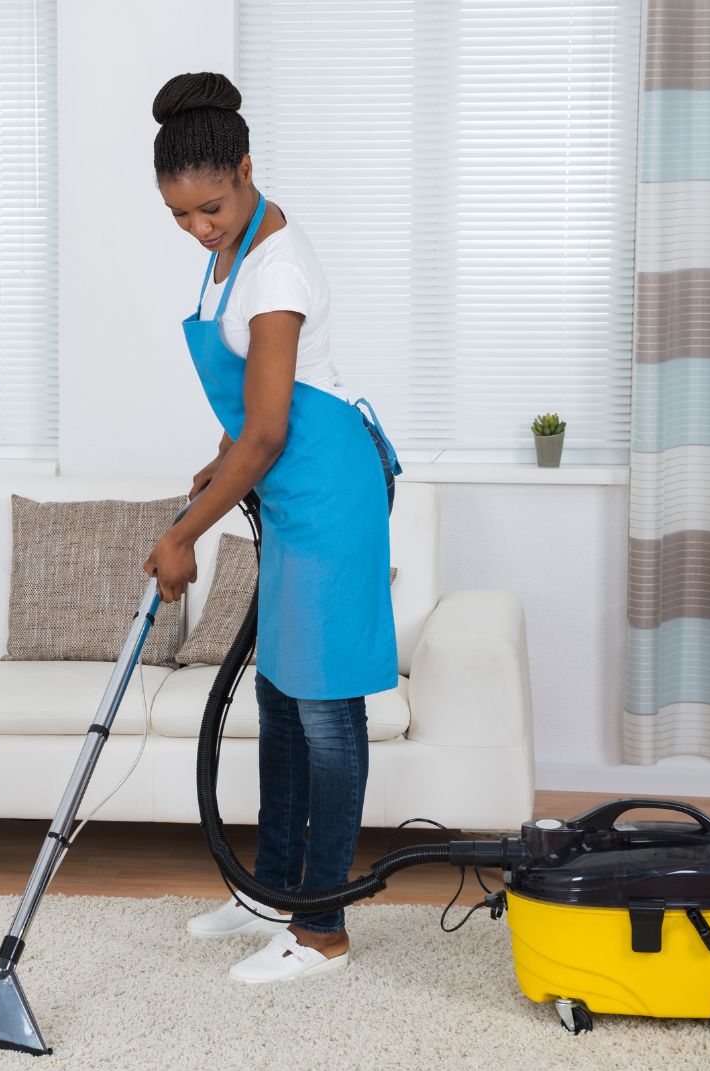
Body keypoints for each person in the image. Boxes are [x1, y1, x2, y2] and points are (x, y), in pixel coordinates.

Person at [141, 72, 405, 984]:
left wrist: (184, 536)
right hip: (287, 495)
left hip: (327, 492)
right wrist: (221, 456)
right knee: (280, 697)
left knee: (326, 712)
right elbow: (251, 403)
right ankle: (271, 891)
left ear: (247, 170)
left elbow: (270, 430)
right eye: (181, 217)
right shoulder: (228, 255)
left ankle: (322, 929)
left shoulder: (278, 264)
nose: (200, 228)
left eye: (211, 208)